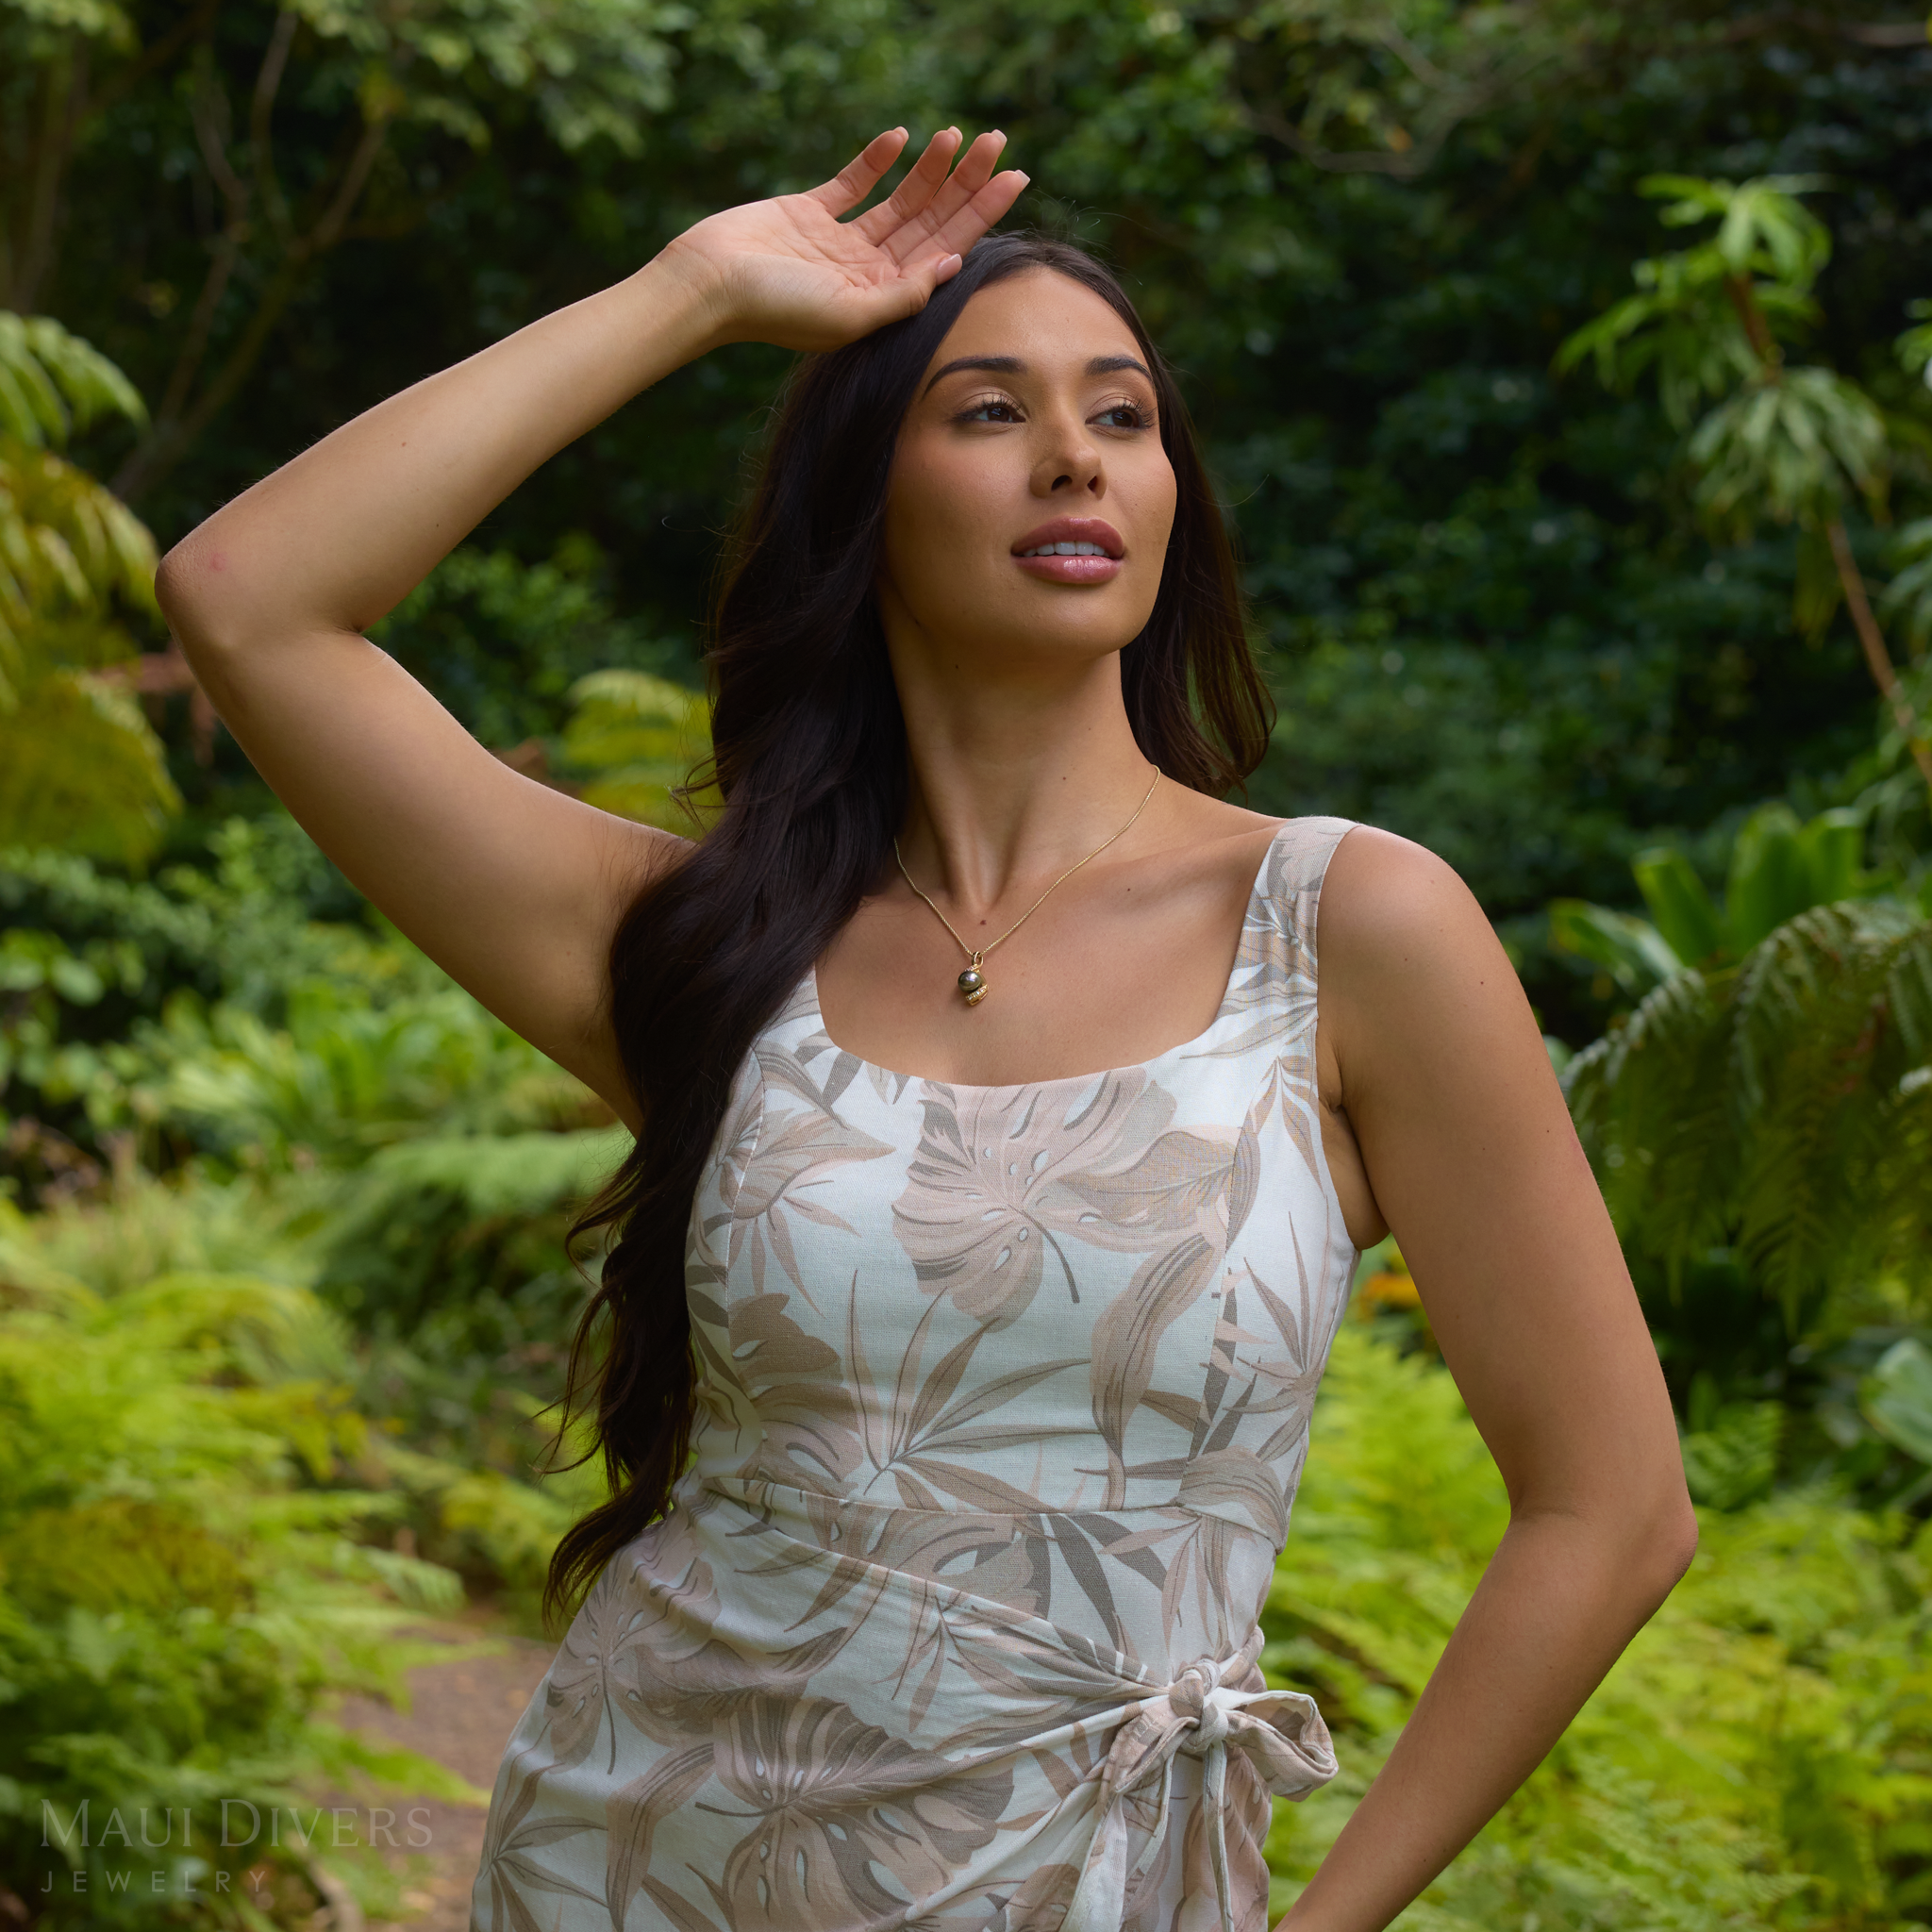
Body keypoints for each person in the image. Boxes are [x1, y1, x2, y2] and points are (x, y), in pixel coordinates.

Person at [158, 126, 1697, 1932]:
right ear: (861, 506)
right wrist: (697, 293)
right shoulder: (705, 952)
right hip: (633, 1865)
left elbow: (1611, 1507)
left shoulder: (1345, 928)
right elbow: (249, 604)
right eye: (987, 412)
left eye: (1123, 417)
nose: (1075, 456)